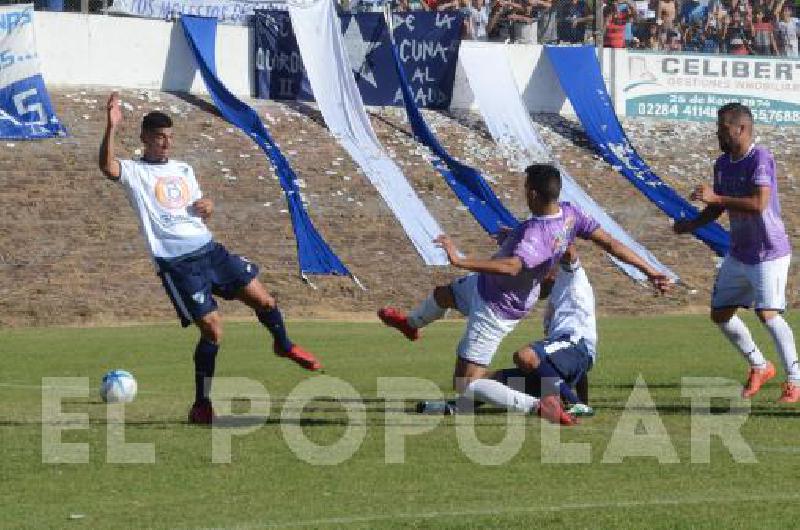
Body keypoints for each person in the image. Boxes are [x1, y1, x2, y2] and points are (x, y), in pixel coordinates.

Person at [379, 164, 670, 425]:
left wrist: (459, 259)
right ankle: (411, 324)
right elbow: (611, 243)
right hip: (484, 286)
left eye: (523, 188)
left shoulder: (536, 233)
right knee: (443, 295)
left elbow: (511, 266)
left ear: (532, 194)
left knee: (465, 384)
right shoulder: (570, 214)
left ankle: (538, 406)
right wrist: (650, 270)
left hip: (495, 306)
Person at [98, 92, 323, 425]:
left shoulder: (183, 168)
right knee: (214, 331)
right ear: (145, 137)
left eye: (169, 137)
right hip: (177, 263)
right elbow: (107, 166)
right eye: (159, 137)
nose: (165, 143)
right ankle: (201, 404)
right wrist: (111, 127)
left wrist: (208, 206)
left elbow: (200, 205)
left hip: (210, 250)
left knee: (265, 301)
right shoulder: (134, 172)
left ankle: (284, 345)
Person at [673, 103, 798, 403]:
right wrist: (693, 224)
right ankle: (760, 366)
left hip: (769, 252)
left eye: (722, 128)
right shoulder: (722, 164)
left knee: (767, 314)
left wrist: (716, 196)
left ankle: (795, 380)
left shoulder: (760, 158)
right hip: (740, 252)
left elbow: (759, 204)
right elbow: (718, 206)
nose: (718, 133)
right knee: (720, 314)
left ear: (740, 129)